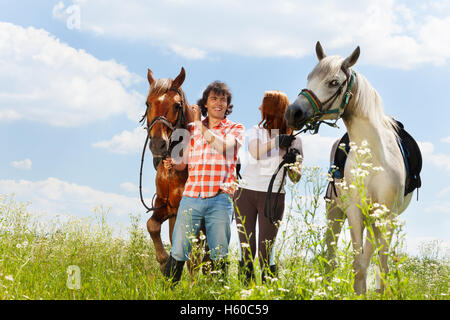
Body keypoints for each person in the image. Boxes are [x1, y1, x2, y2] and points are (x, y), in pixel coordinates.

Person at [162, 81, 245, 284]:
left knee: (218, 253)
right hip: (191, 197)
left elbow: (224, 147)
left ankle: (217, 295)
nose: (219, 103)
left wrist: (200, 124)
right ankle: (166, 293)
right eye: (214, 99)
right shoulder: (192, 130)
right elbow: (186, 162)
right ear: (205, 104)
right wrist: (174, 163)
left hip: (220, 198)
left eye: (223, 99)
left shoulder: (235, 128)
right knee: (179, 250)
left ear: (227, 105)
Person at [234, 90, 303, 283]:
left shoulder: (296, 140)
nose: (259, 108)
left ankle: (269, 290)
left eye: (263, 105)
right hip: (245, 193)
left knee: (266, 249)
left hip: (273, 197)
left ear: (272, 109)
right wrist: (276, 141)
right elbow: (255, 152)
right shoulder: (257, 130)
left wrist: (291, 164)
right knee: (247, 247)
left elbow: (296, 178)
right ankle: (244, 290)